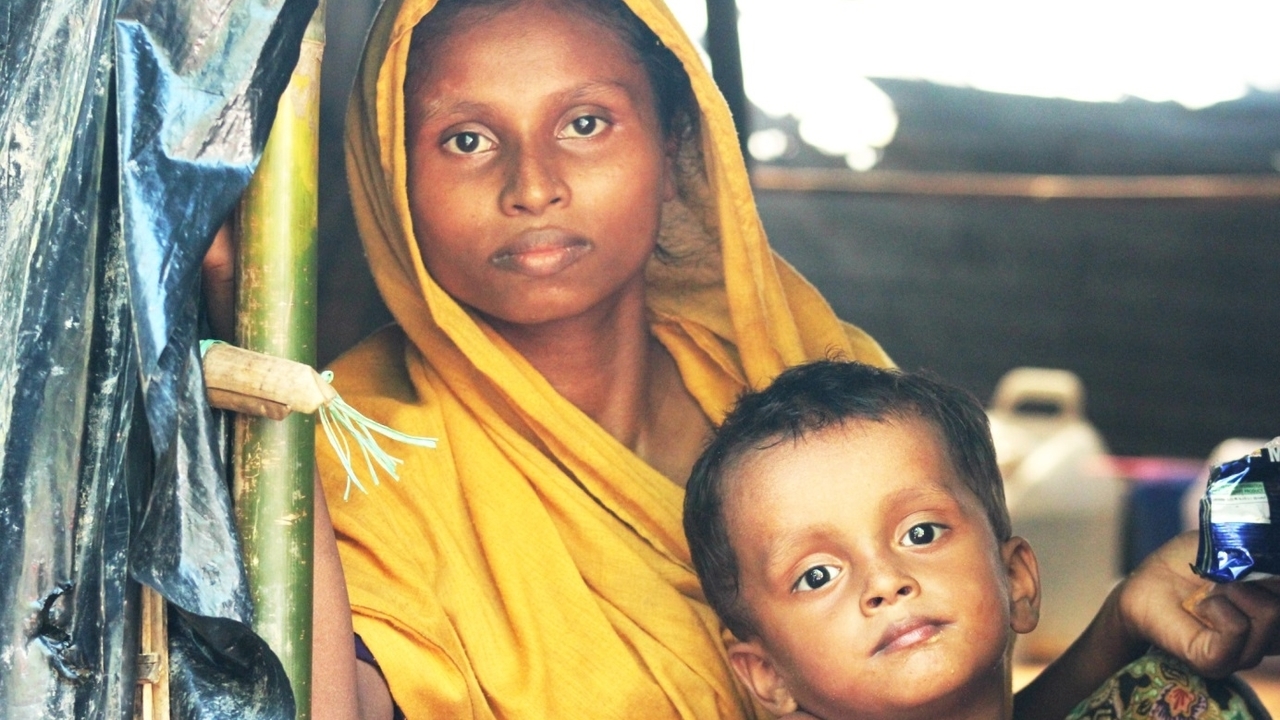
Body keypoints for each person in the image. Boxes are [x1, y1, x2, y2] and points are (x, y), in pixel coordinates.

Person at [183, 0, 1280, 717]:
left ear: (675, 142)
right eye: (464, 138)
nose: (532, 184)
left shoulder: (801, 365)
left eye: (585, 123)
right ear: (388, 173)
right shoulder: (353, 456)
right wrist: (259, 353)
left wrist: (1114, 635)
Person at [683, 359, 1271, 720]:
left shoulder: (1165, 704)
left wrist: (1120, 624)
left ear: (1016, 580)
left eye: (920, 532)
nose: (885, 581)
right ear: (767, 675)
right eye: (817, 575)